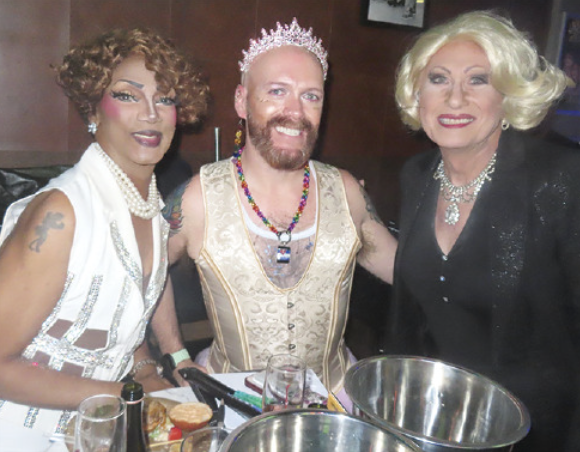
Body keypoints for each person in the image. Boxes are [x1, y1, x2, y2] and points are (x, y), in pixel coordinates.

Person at [382, 10, 580, 452]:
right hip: (434, 424)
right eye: (439, 79)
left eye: (478, 80)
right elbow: (413, 307)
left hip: (535, 435)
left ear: (508, 96)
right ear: (417, 95)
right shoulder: (417, 175)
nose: (455, 98)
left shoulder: (563, 179)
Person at [154, 19, 397, 399]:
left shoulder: (347, 192)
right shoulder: (197, 198)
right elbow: (145, 275)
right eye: (277, 91)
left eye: (311, 96)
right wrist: (176, 353)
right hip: (231, 401)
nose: (295, 111)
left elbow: (409, 273)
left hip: (335, 403)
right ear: (241, 101)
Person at [0, 28, 209, 438]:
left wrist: (146, 369)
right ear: (93, 109)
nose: (150, 113)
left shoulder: (150, 208)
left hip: (92, 432)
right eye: (128, 96)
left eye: (165, 99)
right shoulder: (61, 215)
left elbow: (120, 319)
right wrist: (129, 395)